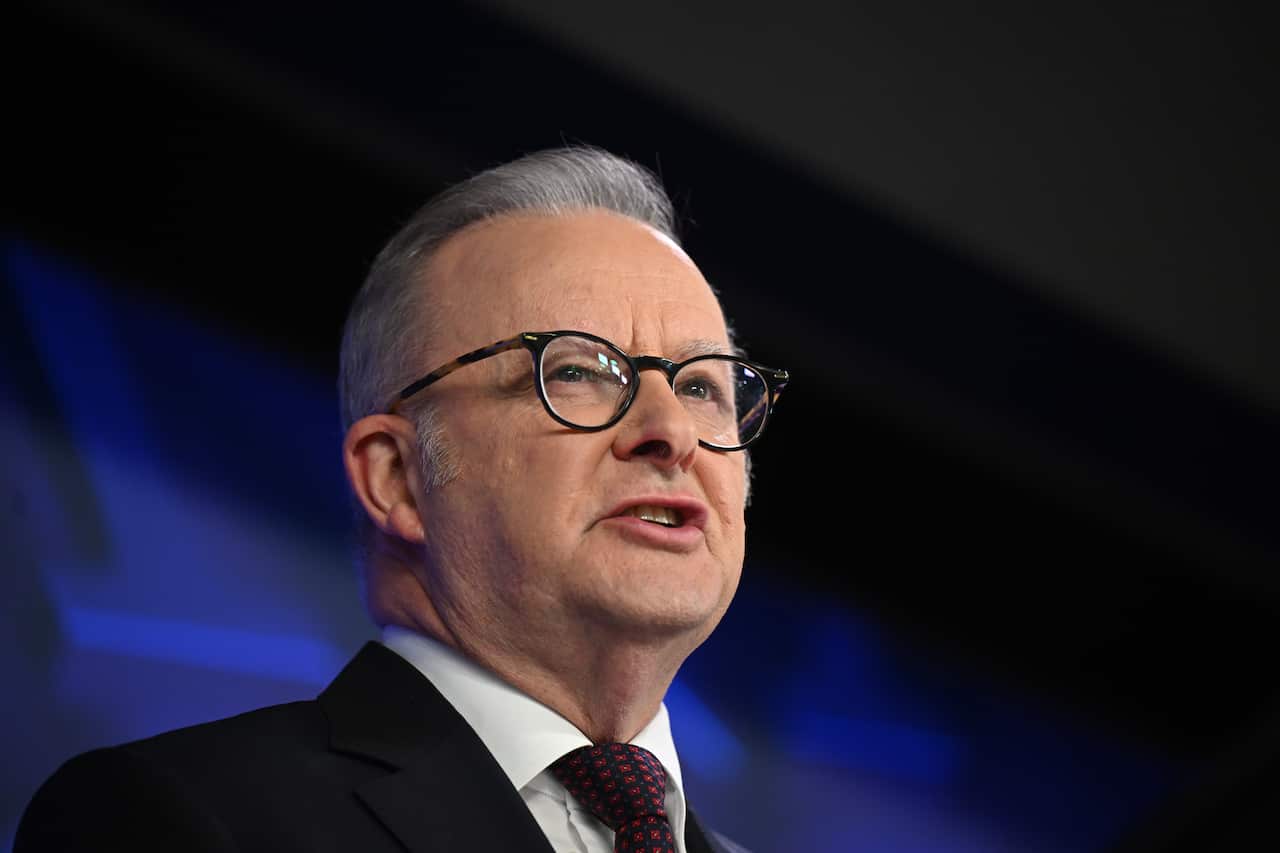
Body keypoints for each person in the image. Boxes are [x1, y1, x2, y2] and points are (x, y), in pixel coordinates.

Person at [15, 146, 788, 852]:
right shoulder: (170, 817)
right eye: (579, 372)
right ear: (396, 476)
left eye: (700, 386)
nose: (671, 432)